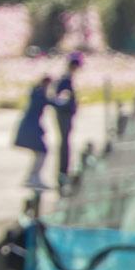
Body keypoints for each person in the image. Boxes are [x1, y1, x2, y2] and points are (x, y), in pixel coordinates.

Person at [14, 74, 52, 190]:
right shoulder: (39, 95)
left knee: (40, 152)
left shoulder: (36, 93)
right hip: (30, 129)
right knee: (42, 151)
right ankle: (33, 177)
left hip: (31, 128)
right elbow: (51, 103)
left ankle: (32, 176)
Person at [52, 51, 83, 187]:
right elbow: (60, 99)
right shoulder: (65, 80)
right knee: (65, 143)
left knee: (66, 143)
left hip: (65, 115)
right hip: (64, 115)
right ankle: (62, 172)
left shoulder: (67, 78)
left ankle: (63, 171)